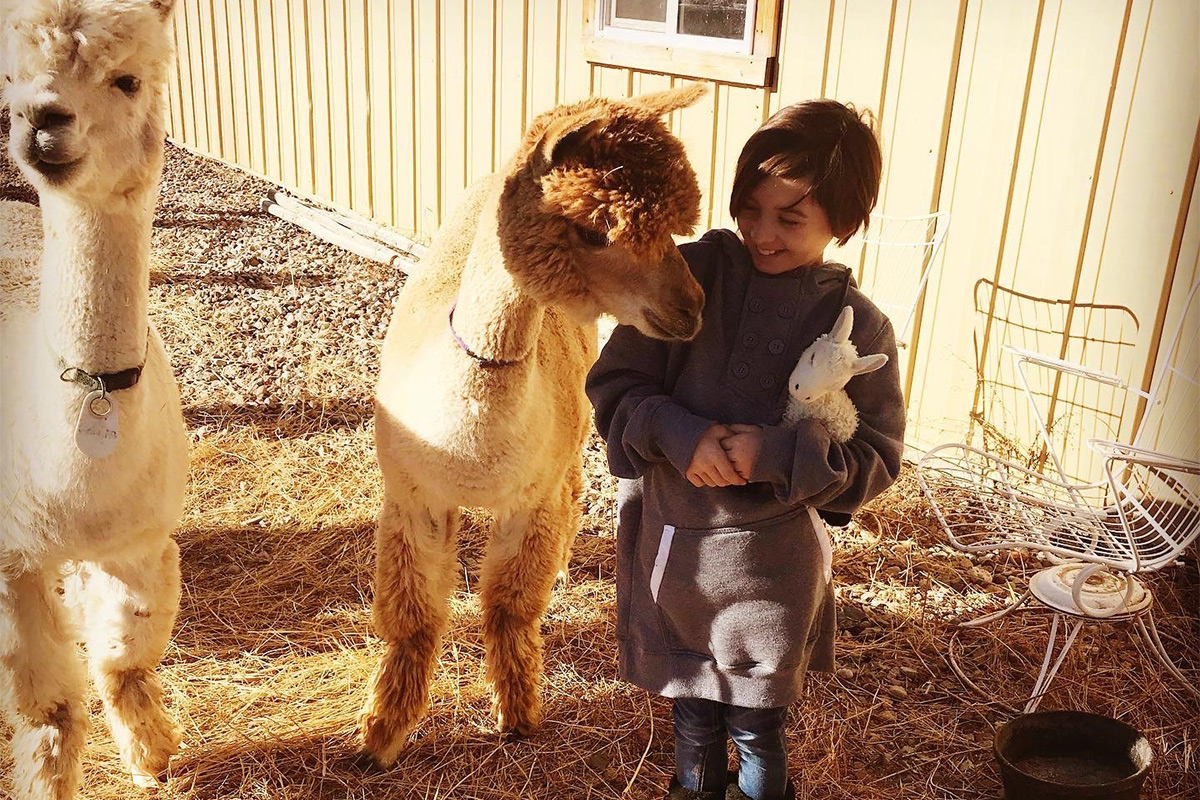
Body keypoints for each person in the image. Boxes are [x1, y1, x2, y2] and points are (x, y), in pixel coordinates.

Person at [585, 99, 906, 800]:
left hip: (772, 577)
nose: (762, 233)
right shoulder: (690, 276)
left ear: (844, 223)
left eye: (790, 219)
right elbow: (615, 385)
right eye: (750, 210)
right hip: (677, 555)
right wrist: (678, 433)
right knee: (694, 714)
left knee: (759, 728)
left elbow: (876, 458)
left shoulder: (860, 330)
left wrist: (777, 455)